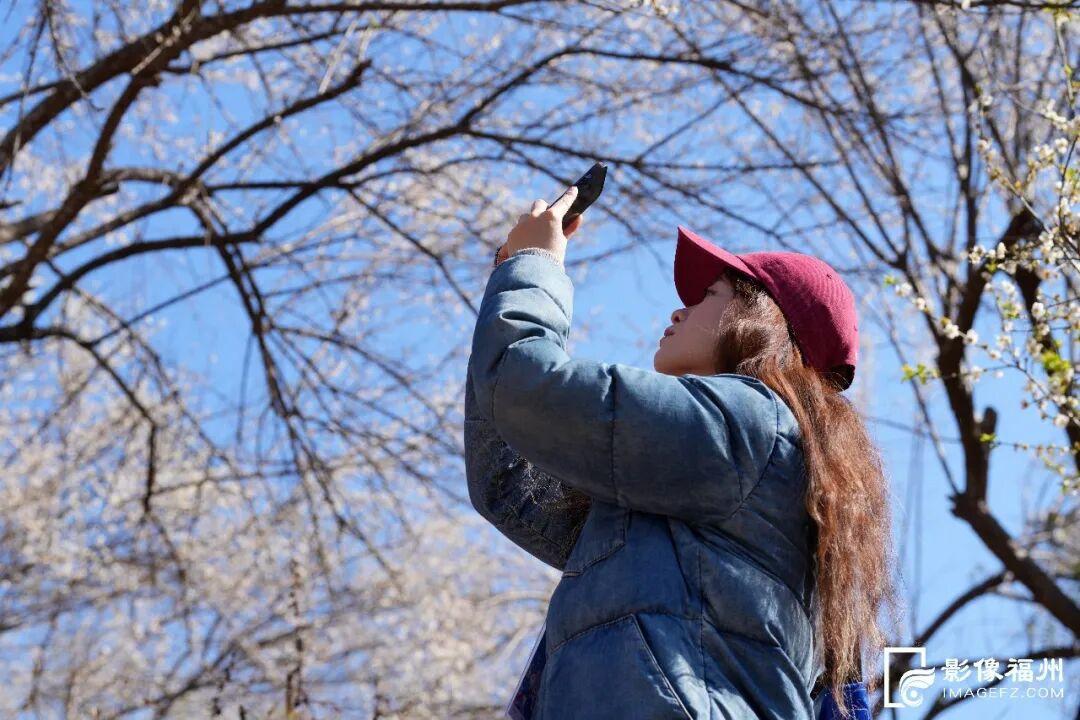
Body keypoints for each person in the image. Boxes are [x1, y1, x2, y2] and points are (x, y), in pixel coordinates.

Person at [464, 186, 899, 719]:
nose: (678, 310)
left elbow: (528, 387)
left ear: (763, 320)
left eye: (708, 296)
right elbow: (509, 484)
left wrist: (534, 265)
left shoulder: (751, 425)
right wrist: (508, 284)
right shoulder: (694, 474)